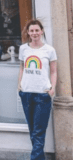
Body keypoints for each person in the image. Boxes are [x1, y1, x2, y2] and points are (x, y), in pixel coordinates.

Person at [18, 20, 57, 160]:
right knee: (33, 131)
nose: (34, 33)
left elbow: (53, 71)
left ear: (41, 31)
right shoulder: (23, 49)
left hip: (42, 94)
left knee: (39, 131)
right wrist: (19, 85)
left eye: (37, 30)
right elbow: (22, 67)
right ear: (28, 32)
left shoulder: (49, 50)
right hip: (26, 93)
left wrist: (52, 88)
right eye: (31, 31)